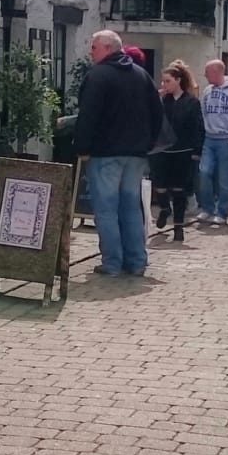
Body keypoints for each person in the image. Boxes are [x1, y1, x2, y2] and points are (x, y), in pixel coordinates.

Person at [72, 30, 166, 276]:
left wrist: (82, 147)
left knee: (106, 209)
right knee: (131, 208)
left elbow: (88, 115)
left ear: (107, 48)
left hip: (106, 154)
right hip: (136, 154)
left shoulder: (98, 76)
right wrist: (148, 143)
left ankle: (112, 263)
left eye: (94, 47)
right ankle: (136, 262)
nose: (90, 52)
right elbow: (157, 113)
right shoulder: (141, 75)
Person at [152, 62, 206, 232]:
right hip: (162, 150)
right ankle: (164, 208)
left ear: (178, 80)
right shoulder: (162, 101)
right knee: (159, 184)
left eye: (167, 81)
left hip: (183, 150)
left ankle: (178, 226)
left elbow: (198, 127)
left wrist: (196, 150)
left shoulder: (191, 102)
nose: (164, 85)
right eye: (163, 81)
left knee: (179, 189)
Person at [197, 59, 228, 225]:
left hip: (226, 139)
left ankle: (222, 212)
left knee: (224, 178)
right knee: (204, 172)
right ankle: (207, 208)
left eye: (208, 72)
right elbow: (203, 112)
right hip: (210, 139)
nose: (205, 75)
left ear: (217, 72)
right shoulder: (207, 91)